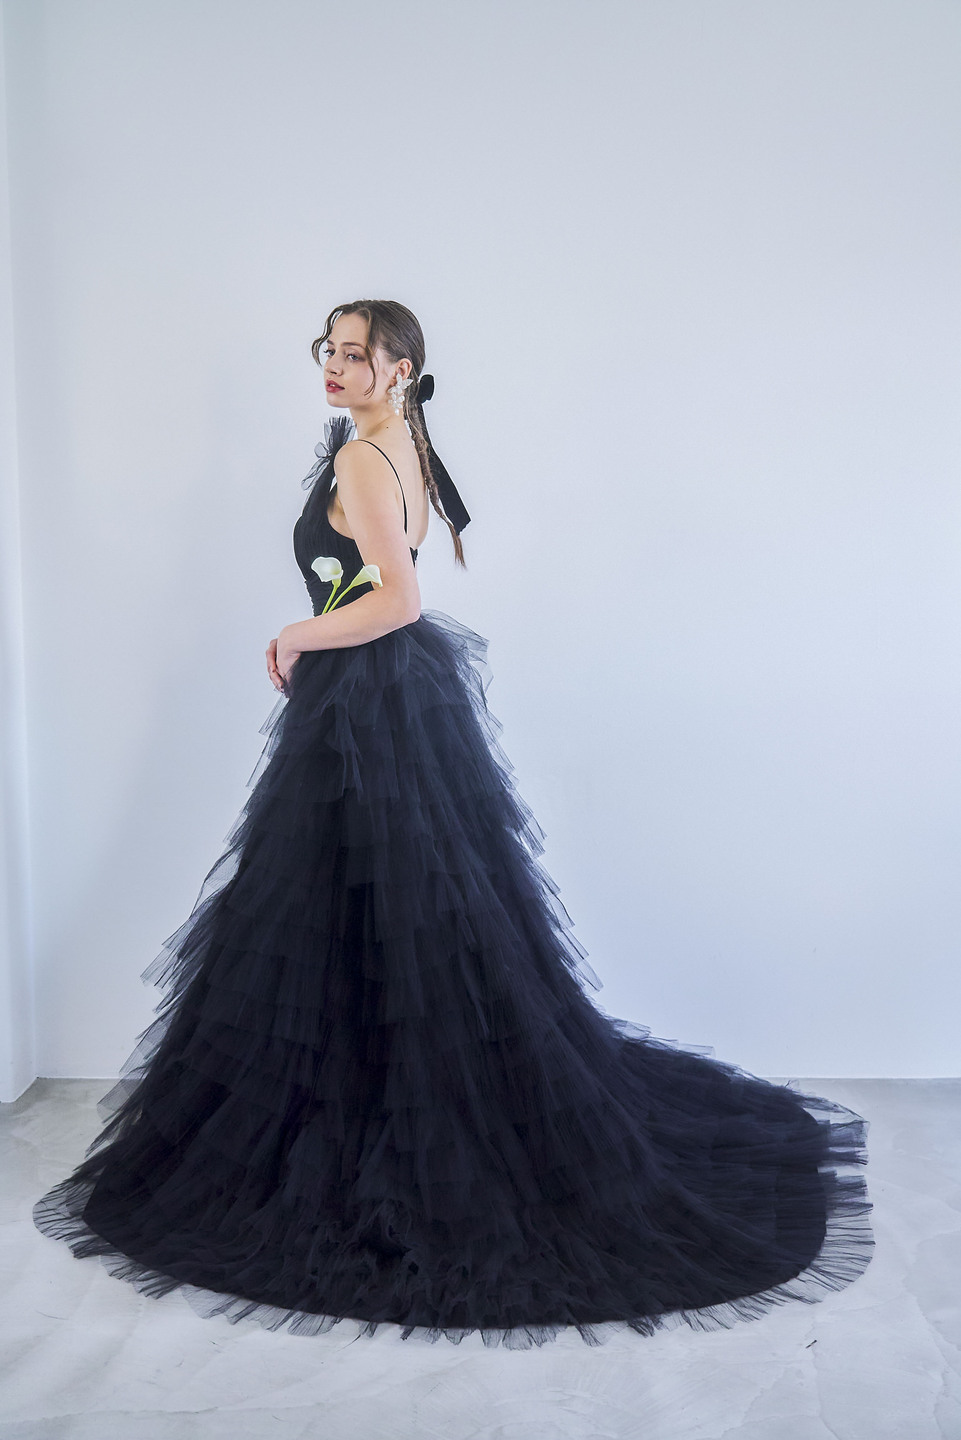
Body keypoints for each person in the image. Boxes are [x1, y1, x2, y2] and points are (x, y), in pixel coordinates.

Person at [32, 298, 874, 1349]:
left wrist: (294, 633)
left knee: (353, 904)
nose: (335, 366)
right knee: (390, 907)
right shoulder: (401, 442)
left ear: (399, 367)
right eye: (329, 350)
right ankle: (377, 1089)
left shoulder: (363, 459)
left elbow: (398, 601)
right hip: (388, 699)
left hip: (365, 699)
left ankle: (380, 1116)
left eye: (356, 354)